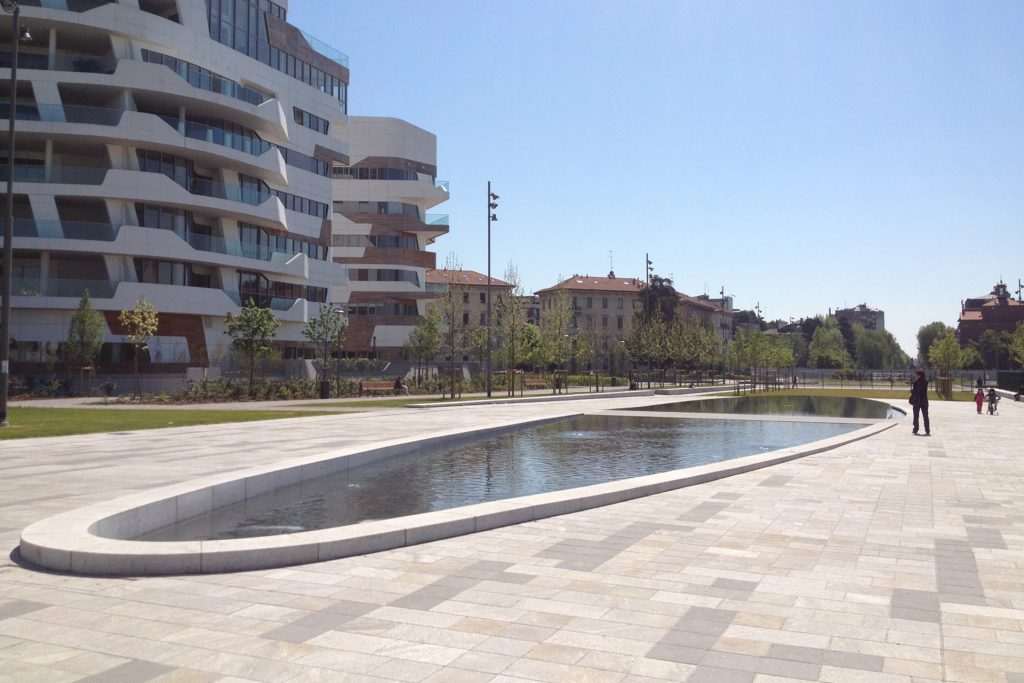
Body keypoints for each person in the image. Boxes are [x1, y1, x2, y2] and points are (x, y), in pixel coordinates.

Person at [910, 368, 930, 436]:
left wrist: (913, 391)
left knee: (917, 416)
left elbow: (919, 391)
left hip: (917, 401)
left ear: (919, 375)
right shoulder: (925, 381)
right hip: (923, 401)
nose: (916, 376)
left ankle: (916, 429)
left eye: (916, 375)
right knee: (925, 416)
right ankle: (926, 431)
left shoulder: (916, 382)